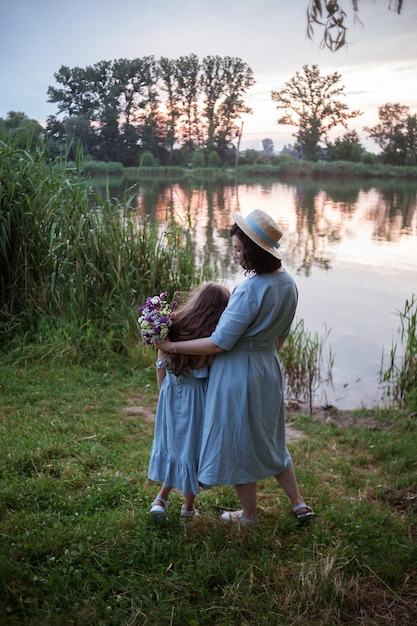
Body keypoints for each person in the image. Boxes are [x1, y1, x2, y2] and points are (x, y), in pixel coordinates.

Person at [157, 209, 315, 525]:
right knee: (270, 436)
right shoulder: (289, 284)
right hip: (268, 367)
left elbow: (219, 343)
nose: (235, 253)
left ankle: (249, 516)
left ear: (255, 252)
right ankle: (298, 503)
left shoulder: (248, 289)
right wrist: (262, 354)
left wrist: (171, 346)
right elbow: (281, 335)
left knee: (241, 441)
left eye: (240, 249)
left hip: (237, 373)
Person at [148, 282, 230, 523]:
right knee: (192, 449)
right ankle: (187, 509)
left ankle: (160, 500)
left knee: (172, 443)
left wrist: (163, 391)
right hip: (198, 401)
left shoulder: (174, 326)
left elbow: (161, 363)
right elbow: (215, 377)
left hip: (171, 393)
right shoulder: (211, 340)